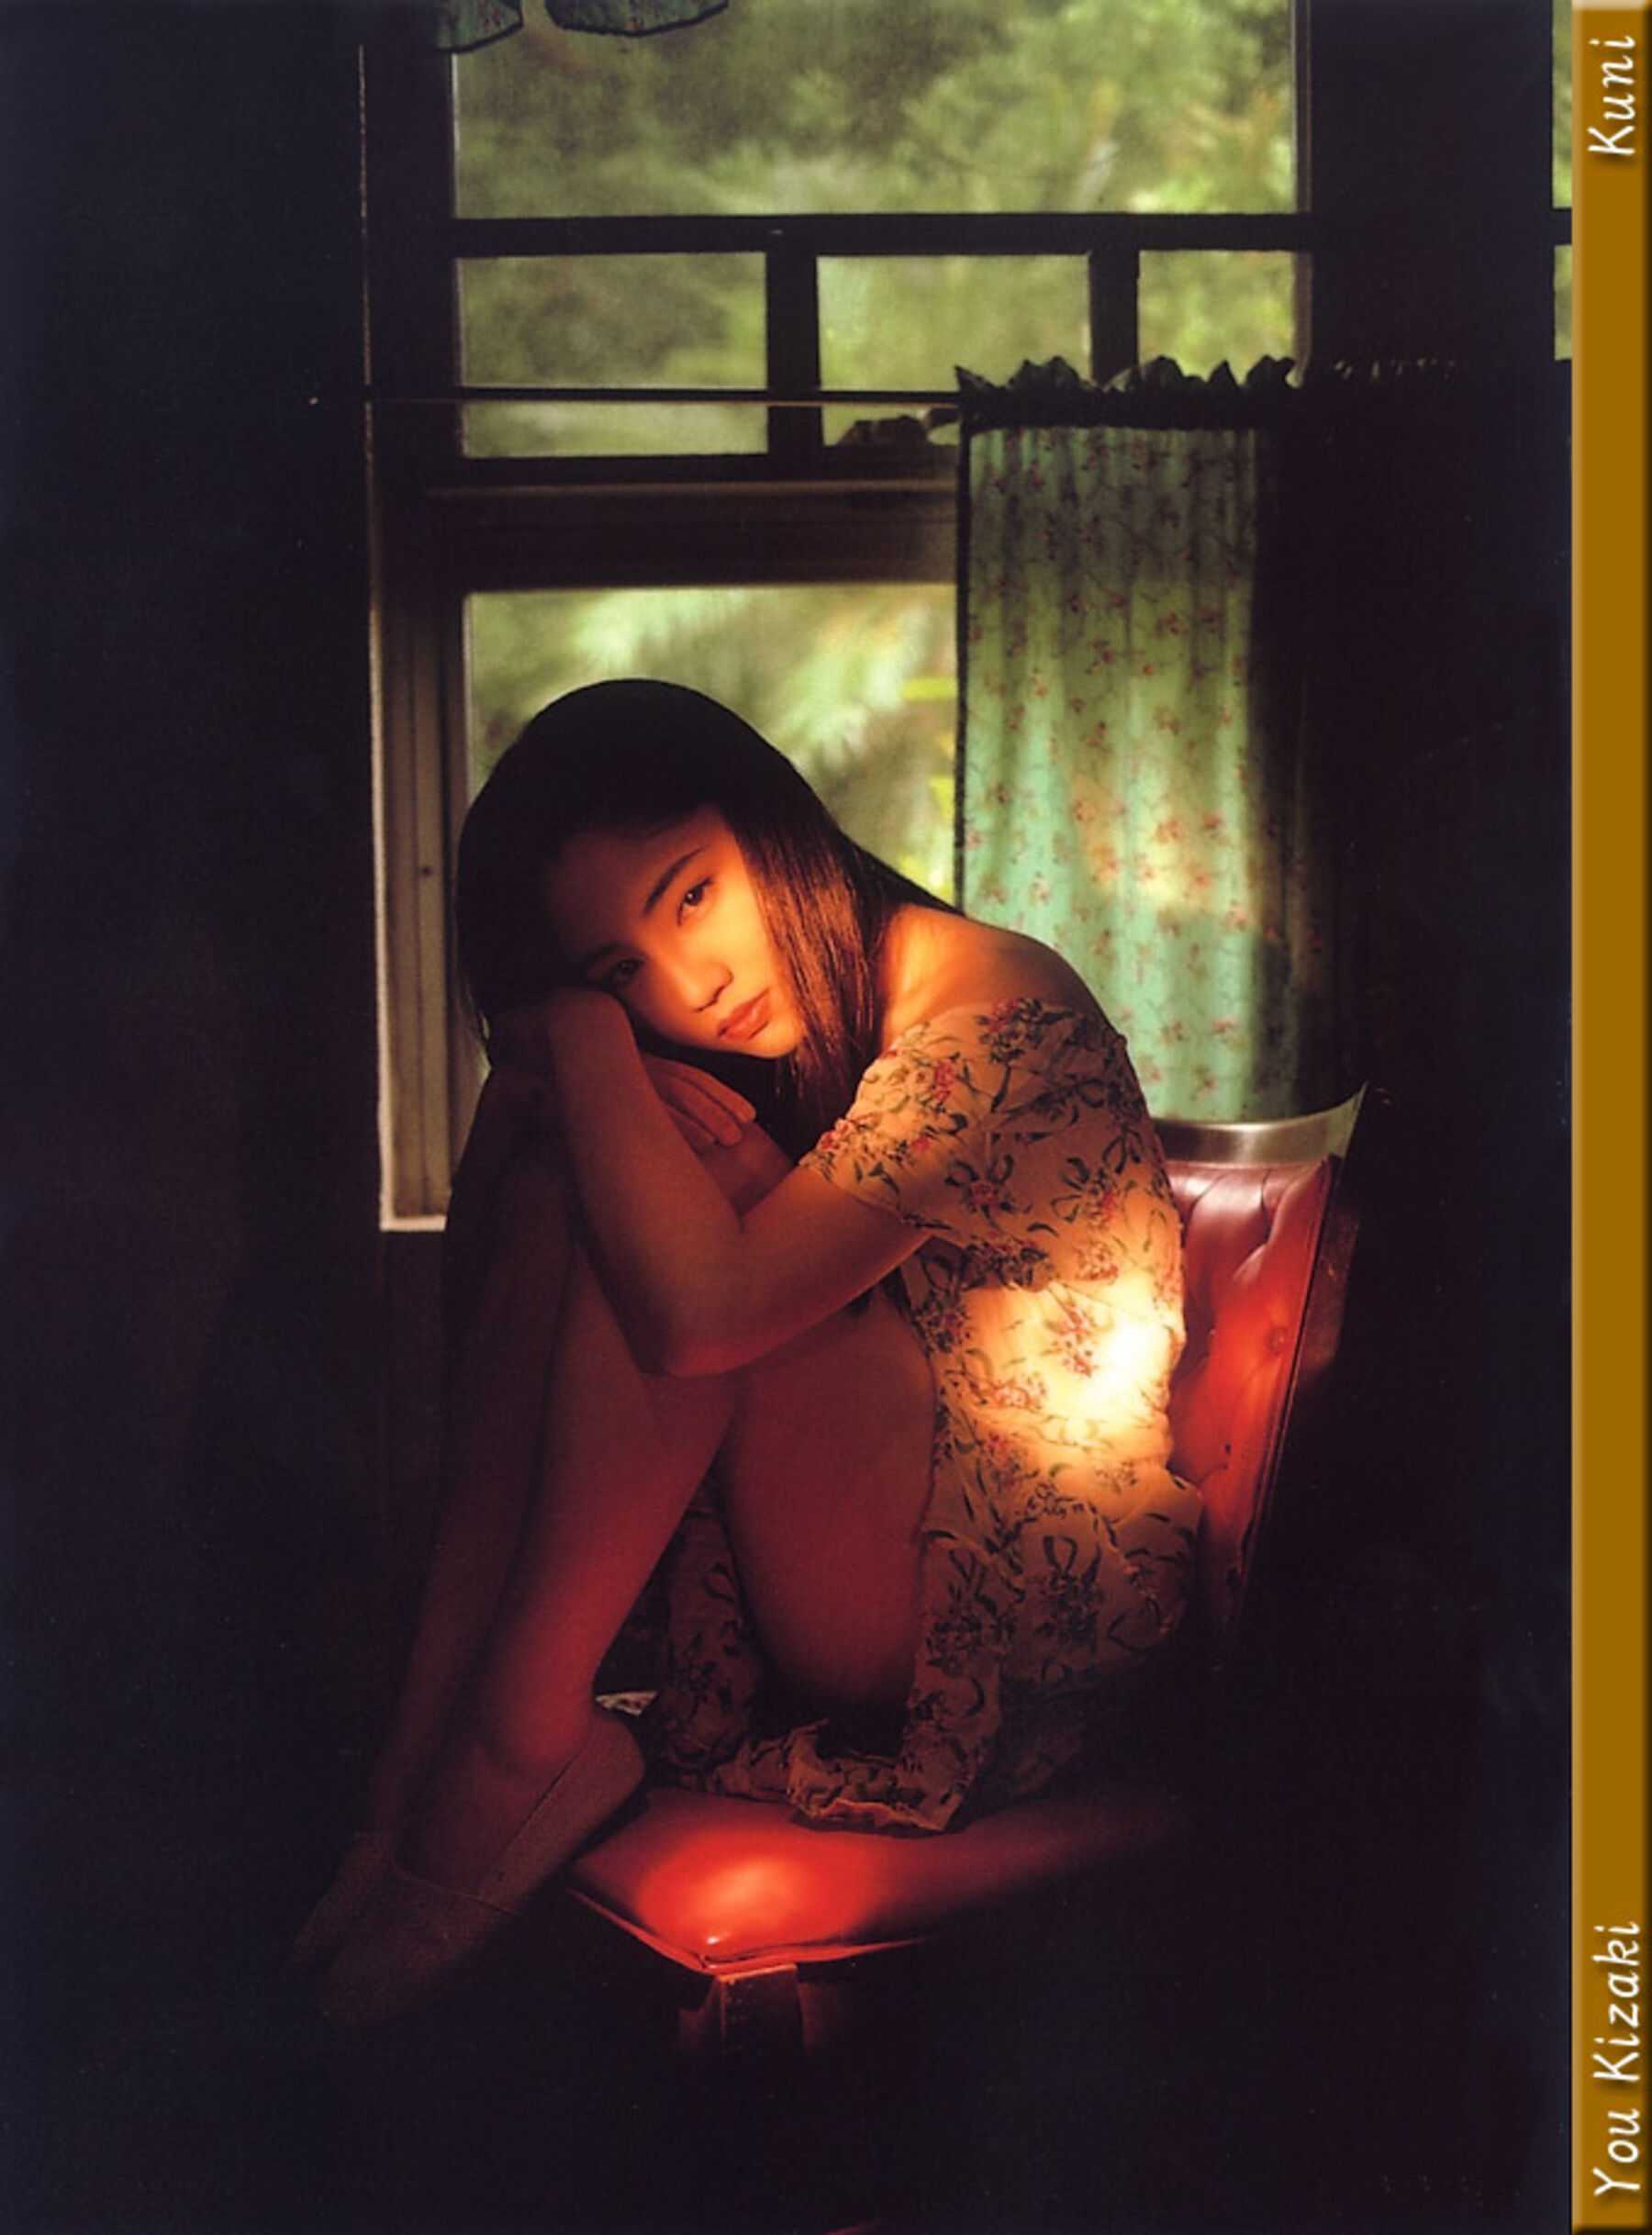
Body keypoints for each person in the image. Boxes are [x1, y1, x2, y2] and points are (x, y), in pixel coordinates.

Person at [296, 679, 1201, 2025]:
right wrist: (563, 1070)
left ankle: (514, 1741)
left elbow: (697, 1321)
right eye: (620, 971)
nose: (692, 986)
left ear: (772, 818)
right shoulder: (791, 1023)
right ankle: (423, 1774)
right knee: (583, 1180)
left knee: (663, 1204)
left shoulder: (991, 1011)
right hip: (859, 1557)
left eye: (692, 894)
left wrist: (583, 1035)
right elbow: (490, 1268)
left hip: (1009, 1623)